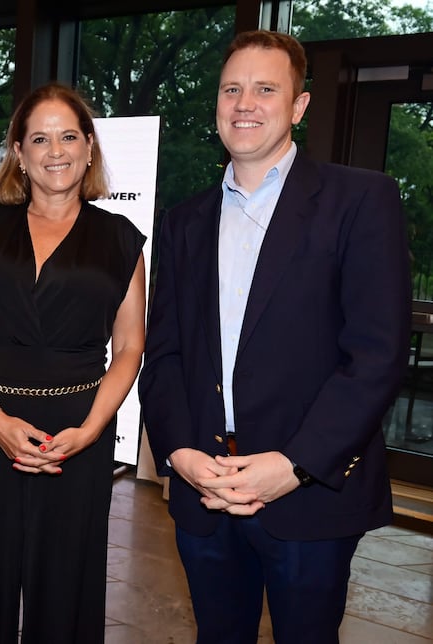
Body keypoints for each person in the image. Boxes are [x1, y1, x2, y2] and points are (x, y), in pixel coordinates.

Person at [139, 30, 411, 644]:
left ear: (299, 106)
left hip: (308, 498)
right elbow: (165, 354)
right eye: (231, 89)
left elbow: (375, 357)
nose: (244, 103)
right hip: (203, 492)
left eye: (266, 89)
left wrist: (294, 464)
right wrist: (179, 452)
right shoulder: (184, 222)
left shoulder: (360, 201)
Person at [0, 82, 146, 643]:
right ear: (19, 154)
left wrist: (92, 431)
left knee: (67, 589)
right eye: (40, 138)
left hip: (79, 433)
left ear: (90, 146)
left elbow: (128, 347)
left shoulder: (121, 239)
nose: (57, 150)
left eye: (69, 135)